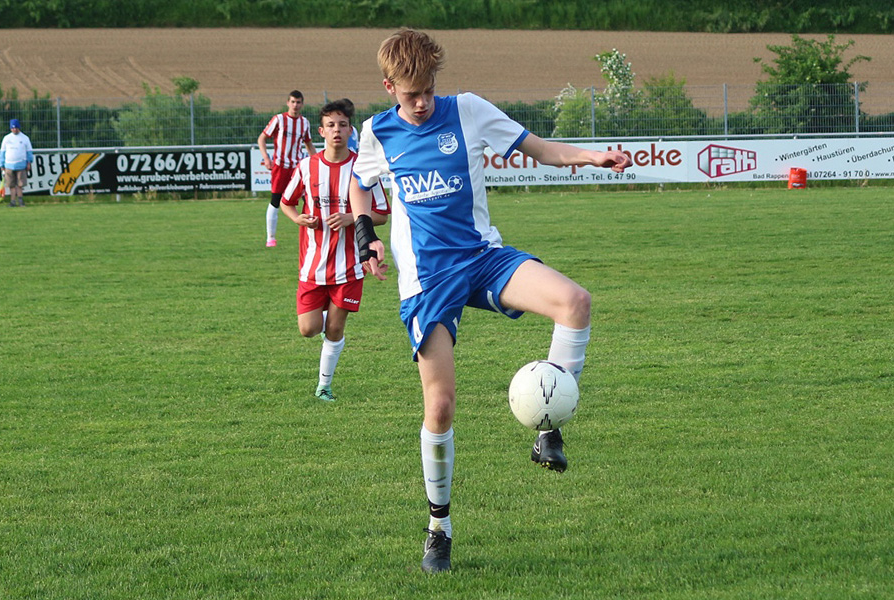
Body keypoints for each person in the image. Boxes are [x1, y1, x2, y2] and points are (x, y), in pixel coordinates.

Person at [348, 29, 633, 573]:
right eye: (411, 94)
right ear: (389, 87)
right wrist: (367, 237)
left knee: (574, 301)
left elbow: (540, 149)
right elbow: (360, 186)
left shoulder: (470, 111)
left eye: (429, 89)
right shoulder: (377, 132)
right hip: (427, 282)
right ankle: (439, 528)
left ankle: (548, 428)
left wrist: (594, 157)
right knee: (441, 405)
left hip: (483, 258)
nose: (423, 101)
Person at [280, 100, 390, 402]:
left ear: (350, 130)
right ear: (321, 131)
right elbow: (286, 202)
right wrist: (298, 218)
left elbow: (381, 213)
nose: (337, 130)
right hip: (313, 267)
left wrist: (352, 217)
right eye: (331, 125)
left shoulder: (362, 168)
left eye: (342, 125)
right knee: (308, 328)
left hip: (350, 265)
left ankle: (324, 386)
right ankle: (327, 307)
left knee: (335, 328)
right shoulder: (306, 167)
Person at [259, 90, 318, 247]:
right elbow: (262, 138)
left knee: (309, 198)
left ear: (302, 104)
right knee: (276, 200)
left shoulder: (304, 123)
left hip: (298, 167)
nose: (295, 105)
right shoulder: (279, 119)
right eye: (293, 102)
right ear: (288, 103)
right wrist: (266, 157)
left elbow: (309, 144)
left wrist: (317, 162)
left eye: (298, 102)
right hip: (280, 166)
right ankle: (270, 237)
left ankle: (314, 232)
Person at [0, 119, 33, 207]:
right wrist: (2, 164)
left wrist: (29, 163)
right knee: (11, 185)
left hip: (21, 165)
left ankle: (21, 201)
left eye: (16, 128)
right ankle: (13, 201)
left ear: (19, 128)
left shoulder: (25, 138)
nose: (14, 129)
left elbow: (29, 152)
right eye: (12, 128)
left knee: (20, 185)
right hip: (8, 166)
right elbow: (2, 152)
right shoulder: (6, 138)